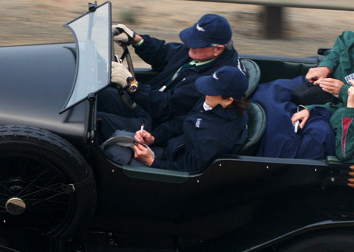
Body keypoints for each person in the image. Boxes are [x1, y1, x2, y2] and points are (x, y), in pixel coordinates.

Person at [98, 13, 242, 136]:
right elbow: (164, 54)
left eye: (196, 43)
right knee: (94, 97)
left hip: (155, 124)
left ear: (217, 49)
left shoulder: (215, 80)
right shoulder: (196, 53)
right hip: (145, 102)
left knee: (92, 122)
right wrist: (137, 39)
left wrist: (132, 85)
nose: (190, 44)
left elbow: (166, 107)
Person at [129, 65, 249, 172]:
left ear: (228, 100)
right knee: (121, 137)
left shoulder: (216, 138)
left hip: (170, 171)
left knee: (114, 152)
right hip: (171, 151)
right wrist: (155, 138)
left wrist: (152, 162)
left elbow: (188, 172)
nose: (205, 91)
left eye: (212, 90)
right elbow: (183, 121)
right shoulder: (212, 105)